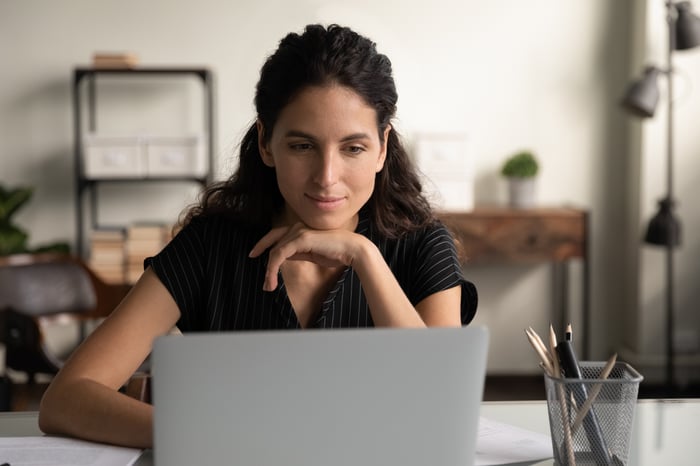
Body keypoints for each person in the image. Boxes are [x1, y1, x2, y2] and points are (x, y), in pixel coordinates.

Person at [38, 23, 478, 448]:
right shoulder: (211, 244)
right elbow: (66, 399)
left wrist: (364, 257)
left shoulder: (423, 245)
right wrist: (209, 437)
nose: (327, 177)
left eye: (353, 148)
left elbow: (441, 410)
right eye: (302, 146)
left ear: (382, 147)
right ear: (267, 143)